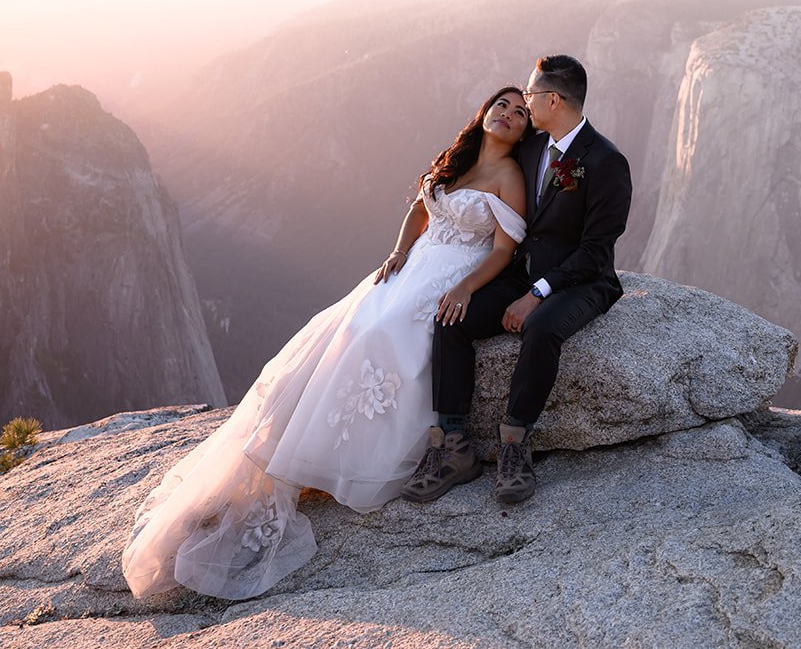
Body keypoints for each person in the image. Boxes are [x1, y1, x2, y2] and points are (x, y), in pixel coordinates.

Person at [122, 86, 532, 600]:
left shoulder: (510, 177)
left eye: (521, 112)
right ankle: (290, 448)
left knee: (383, 333)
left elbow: (502, 250)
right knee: (348, 325)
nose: (509, 114)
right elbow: (420, 209)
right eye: (502, 105)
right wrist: (399, 251)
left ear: (525, 129)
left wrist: (466, 288)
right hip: (414, 265)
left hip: (450, 273)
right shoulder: (460, 157)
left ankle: (345, 460)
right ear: (485, 111)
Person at [402, 54, 632, 506]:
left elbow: (596, 250)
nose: (524, 101)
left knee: (541, 328)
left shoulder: (606, 162)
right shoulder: (530, 149)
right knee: (452, 316)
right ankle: (453, 444)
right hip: (522, 274)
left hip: (582, 283)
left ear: (552, 100)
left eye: (529, 94)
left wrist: (537, 294)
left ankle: (514, 442)